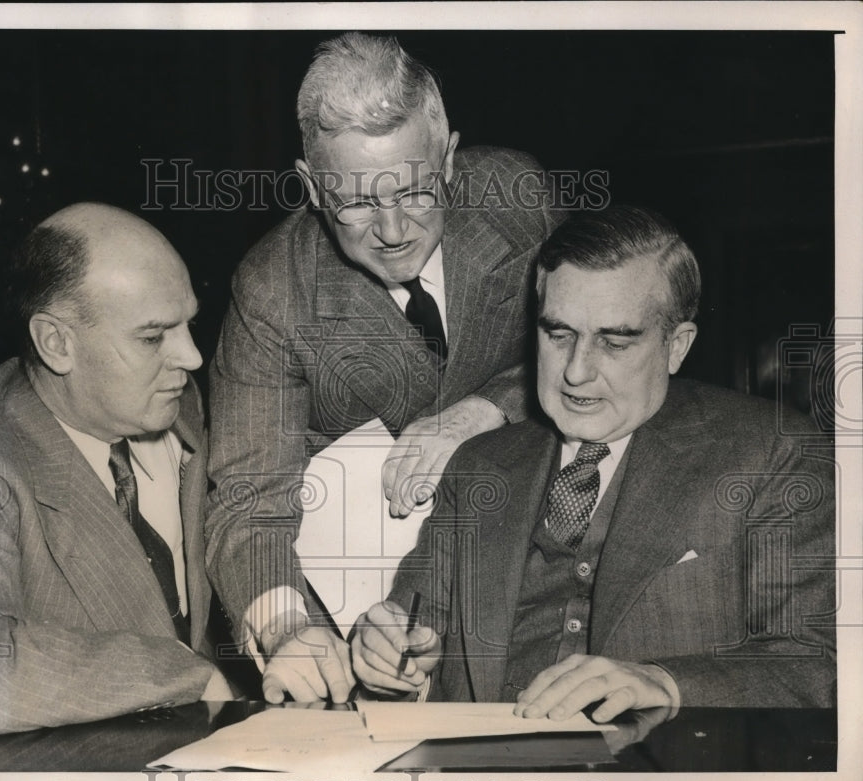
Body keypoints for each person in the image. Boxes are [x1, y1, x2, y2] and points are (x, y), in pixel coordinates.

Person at [352, 205, 835, 718]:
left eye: (614, 341)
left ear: (677, 346)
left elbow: (819, 663)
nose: (577, 373)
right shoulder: (478, 467)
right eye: (558, 336)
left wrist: (664, 684)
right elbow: (408, 648)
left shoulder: (773, 454)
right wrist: (390, 670)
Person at [206, 32, 566, 703]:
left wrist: (485, 409)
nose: (396, 230)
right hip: (359, 614)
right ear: (312, 186)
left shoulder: (519, 197)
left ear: (450, 157)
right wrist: (288, 632)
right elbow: (253, 497)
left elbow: (597, 353)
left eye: (418, 191)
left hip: (529, 574)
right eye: (359, 203)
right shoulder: (272, 289)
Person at [0, 203, 231, 735]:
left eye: (188, 325)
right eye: (153, 337)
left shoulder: (178, 402)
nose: (193, 357)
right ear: (56, 342)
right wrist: (183, 673)